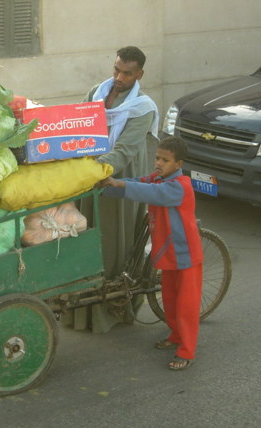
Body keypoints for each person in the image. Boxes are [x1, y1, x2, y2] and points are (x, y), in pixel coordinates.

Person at [69, 46, 160, 332]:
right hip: (90, 174)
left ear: (139, 74)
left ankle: (108, 312)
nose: (119, 77)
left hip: (120, 179)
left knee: (110, 243)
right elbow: (77, 123)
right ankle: (77, 312)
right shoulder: (97, 92)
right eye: (116, 69)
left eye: (127, 73)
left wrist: (95, 171)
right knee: (83, 237)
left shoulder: (143, 108)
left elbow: (125, 150)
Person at [98, 136, 203, 370]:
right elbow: (137, 182)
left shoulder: (179, 186)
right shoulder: (157, 179)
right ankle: (175, 335)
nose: (158, 163)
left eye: (165, 160)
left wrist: (119, 185)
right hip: (168, 253)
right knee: (170, 299)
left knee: (186, 305)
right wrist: (107, 187)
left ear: (178, 164)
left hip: (185, 255)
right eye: (157, 158)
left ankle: (186, 351)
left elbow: (148, 193)